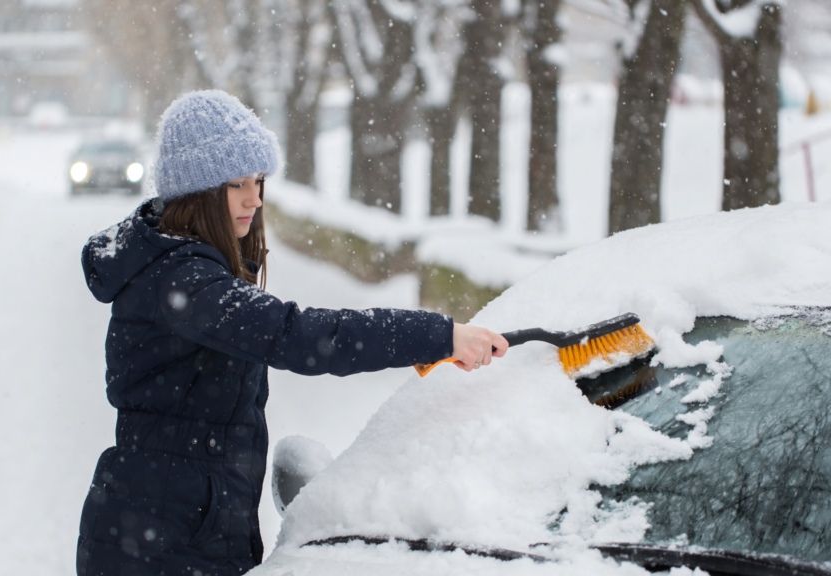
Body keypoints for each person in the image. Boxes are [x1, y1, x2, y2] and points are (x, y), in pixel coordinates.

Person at [76, 90, 508, 576]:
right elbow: (299, 336)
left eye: (259, 181)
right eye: (237, 183)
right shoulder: (185, 282)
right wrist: (439, 335)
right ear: (197, 191)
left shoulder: (180, 266)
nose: (254, 198)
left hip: (176, 526)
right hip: (159, 543)